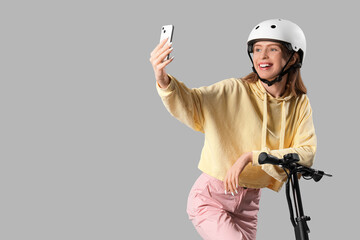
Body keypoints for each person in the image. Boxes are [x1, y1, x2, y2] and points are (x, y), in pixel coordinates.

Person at [149, 19, 316, 240]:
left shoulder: (299, 103)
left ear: (293, 57)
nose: (262, 56)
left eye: (272, 49)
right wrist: (163, 80)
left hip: (249, 204)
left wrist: (250, 157)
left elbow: (306, 152)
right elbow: (192, 102)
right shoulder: (234, 90)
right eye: (257, 49)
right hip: (212, 196)